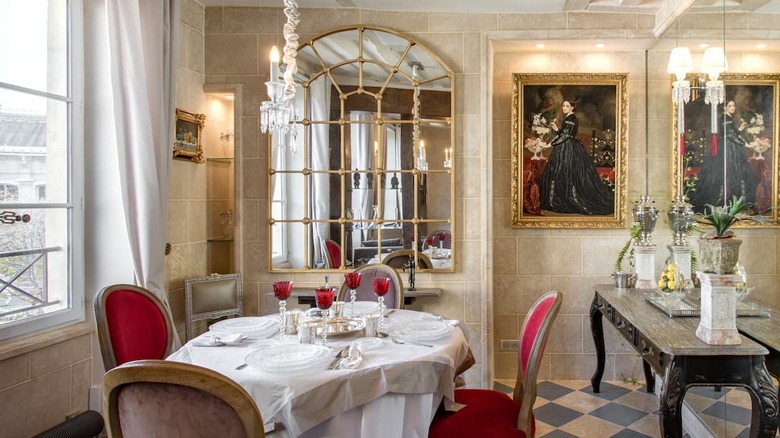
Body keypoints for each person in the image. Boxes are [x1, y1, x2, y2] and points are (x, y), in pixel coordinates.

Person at [539, 100, 614, 215]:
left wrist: (548, 144)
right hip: (567, 145)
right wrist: (556, 129)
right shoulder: (570, 118)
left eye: (567, 106)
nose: (564, 108)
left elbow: (565, 136)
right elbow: (564, 133)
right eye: (563, 106)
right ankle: (559, 197)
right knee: (561, 172)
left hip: (568, 149)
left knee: (565, 172)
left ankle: (562, 198)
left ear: (572, 107)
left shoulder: (571, 119)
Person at [688, 100, 756, 213]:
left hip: (730, 146)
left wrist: (740, 129)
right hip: (728, 148)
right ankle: (725, 200)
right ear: (725, 107)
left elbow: (732, 133)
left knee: (734, 173)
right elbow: (729, 135)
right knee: (728, 172)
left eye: (734, 105)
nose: (732, 107)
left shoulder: (728, 118)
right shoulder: (725, 118)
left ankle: (734, 201)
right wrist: (746, 144)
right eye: (730, 106)